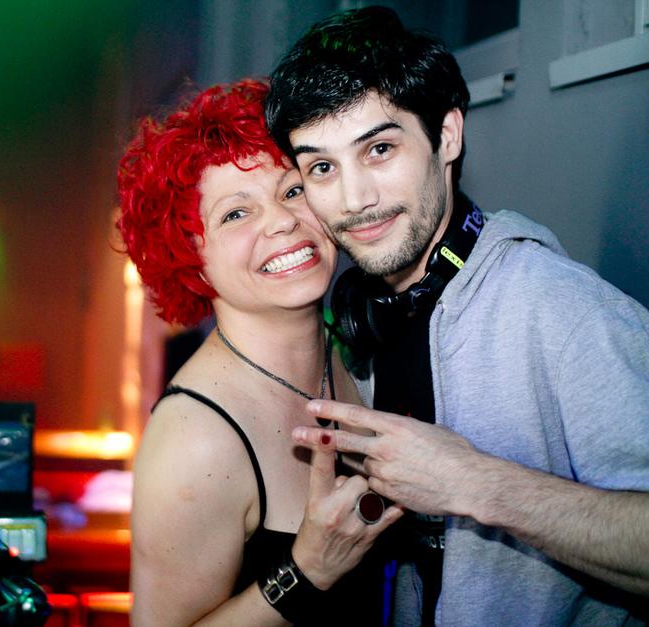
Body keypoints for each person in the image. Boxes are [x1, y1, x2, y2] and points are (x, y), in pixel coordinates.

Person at [264, 6, 649, 625]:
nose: (354, 199)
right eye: (322, 168)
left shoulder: (563, 309)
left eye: (380, 149)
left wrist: (474, 483)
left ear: (447, 137)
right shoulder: (369, 320)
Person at [117, 79, 402, 626]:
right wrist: (307, 570)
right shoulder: (194, 439)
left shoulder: (357, 353)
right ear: (190, 258)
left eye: (292, 191)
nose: (282, 220)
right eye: (235, 214)